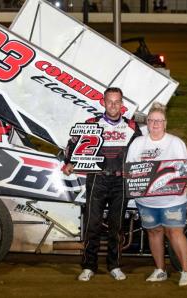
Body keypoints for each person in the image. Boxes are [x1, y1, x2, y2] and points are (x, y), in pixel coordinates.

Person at [63, 87, 141, 281]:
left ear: (122, 104)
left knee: (117, 227)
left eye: (117, 102)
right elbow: (72, 144)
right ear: (103, 103)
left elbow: (141, 151)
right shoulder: (92, 124)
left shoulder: (131, 126)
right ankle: (89, 266)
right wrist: (69, 162)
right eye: (110, 102)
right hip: (97, 178)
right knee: (92, 224)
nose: (113, 105)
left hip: (121, 181)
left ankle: (114, 265)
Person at [126, 102, 187, 286]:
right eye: (152, 121)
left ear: (165, 123)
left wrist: (183, 180)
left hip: (172, 200)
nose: (155, 124)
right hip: (146, 201)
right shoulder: (138, 143)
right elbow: (130, 170)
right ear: (146, 123)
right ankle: (160, 270)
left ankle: (186, 271)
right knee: (154, 232)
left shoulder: (176, 143)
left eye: (159, 121)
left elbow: (184, 169)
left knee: (174, 232)